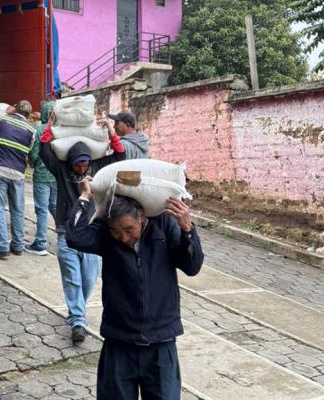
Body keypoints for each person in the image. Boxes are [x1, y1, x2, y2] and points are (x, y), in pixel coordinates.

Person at [66, 182, 204, 399]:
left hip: (161, 343)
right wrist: (85, 197)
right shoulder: (105, 235)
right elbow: (74, 236)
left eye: (129, 229)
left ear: (142, 215)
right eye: (116, 231)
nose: (123, 237)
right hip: (119, 341)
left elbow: (192, 266)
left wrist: (188, 229)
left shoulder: (164, 226)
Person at [39, 120, 126, 343]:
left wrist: (111, 131)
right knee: (72, 280)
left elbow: (119, 156)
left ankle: (77, 310)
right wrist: (50, 125)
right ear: (70, 162)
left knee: (88, 280)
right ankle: (78, 321)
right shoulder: (60, 170)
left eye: (85, 163)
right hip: (65, 234)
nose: (82, 167)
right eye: (78, 164)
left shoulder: (96, 169)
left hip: (91, 235)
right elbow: (44, 149)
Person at [0, 100, 36, 259]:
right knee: (17, 210)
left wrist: (8, 109)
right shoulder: (31, 130)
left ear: (15, 110)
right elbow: (29, 149)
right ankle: (17, 246)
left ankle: (1, 247)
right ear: (28, 114)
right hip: (18, 174)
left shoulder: (3, 119)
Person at [25, 101, 58, 256]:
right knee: (55, 207)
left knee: (41, 209)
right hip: (57, 175)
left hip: (41, 175)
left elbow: (33, 153)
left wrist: (32, 163)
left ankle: (40, 243)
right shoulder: (61, 129)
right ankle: (66, 237)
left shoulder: (39, 130)